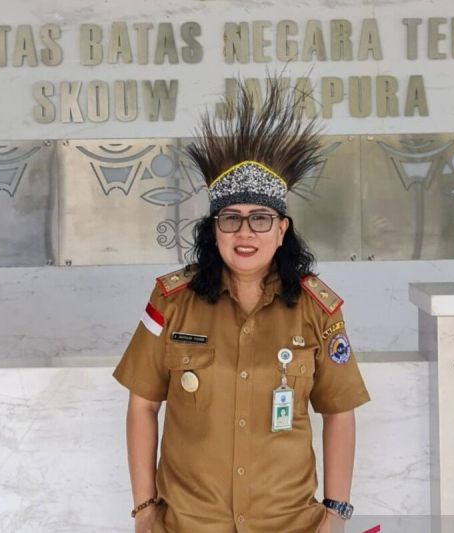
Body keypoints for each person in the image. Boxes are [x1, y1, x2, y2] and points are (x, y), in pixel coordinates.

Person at [113, 79, 370, 533]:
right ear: (214, 230)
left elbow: (339, 412)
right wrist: (145, 509)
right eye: (231, 219)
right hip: (189, 525)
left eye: (261, 219)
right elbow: (142, 406)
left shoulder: (316, 309)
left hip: (290, 525)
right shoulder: (171, 302)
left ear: (282, 229)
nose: (245, 232)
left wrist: (336, 512)